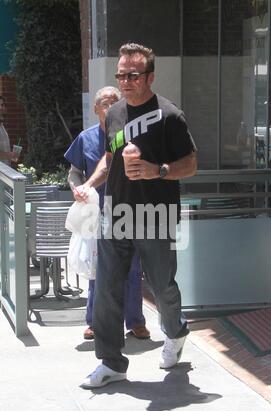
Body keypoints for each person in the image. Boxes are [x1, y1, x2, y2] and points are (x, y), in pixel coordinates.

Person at [75, 43, 197, 389]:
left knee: (162, 286)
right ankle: (111, 363)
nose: (126, 81)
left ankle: (175, 331)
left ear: (150, 76)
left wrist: (156, 170)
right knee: (107, 289)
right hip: (116, 214)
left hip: (155, 215)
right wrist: (90, 183)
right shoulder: (113, 113)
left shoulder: (169, 115)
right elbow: (110, 158)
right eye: (121, 75)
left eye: (133, 75)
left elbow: (191, 164)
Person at [64, 86, 150, 341]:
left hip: (127, 211)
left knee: (133, 269)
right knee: (97, 268)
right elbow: (74, 172)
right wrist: (76, 188)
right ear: (95, 108)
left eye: (114, 101)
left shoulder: (131, 136)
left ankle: (135, 321)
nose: (109, 106)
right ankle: (94, 321)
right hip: (95, 212)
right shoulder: (86, 138)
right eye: (104, 102)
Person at [0, 96, 18, 165]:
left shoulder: (2, 125)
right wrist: (9, 155)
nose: (0, 108)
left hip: (5, 169)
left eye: (2, 105)